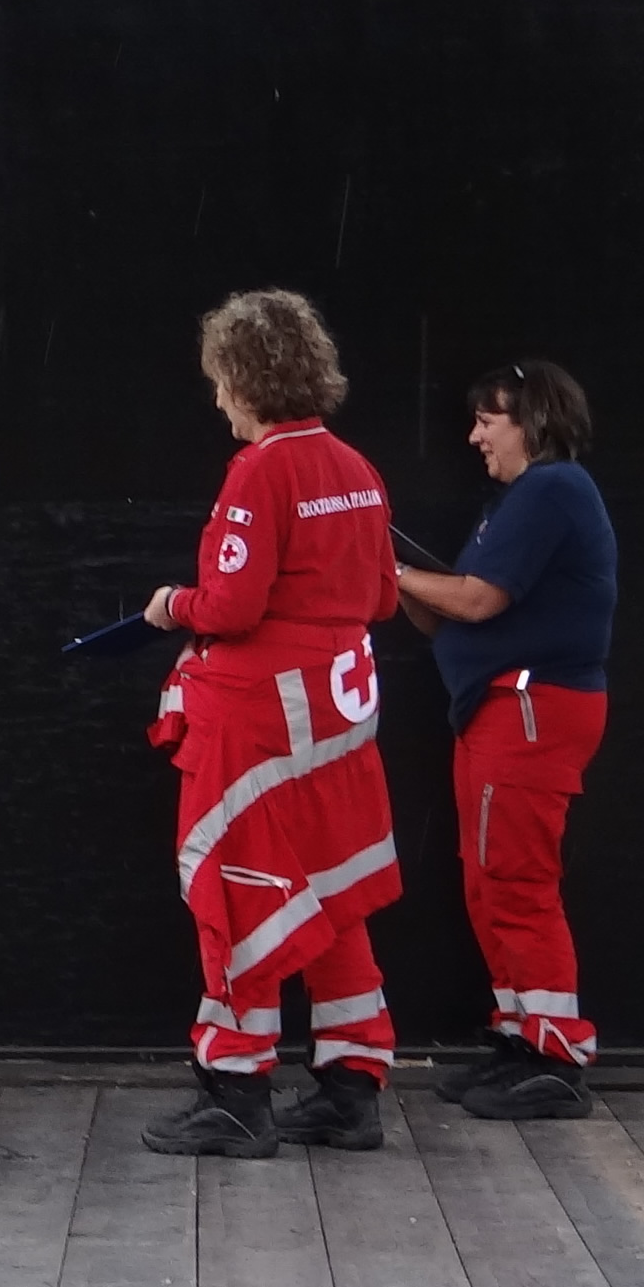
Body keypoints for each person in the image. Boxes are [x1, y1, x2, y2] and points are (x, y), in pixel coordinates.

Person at [137, 289, 404, 1156]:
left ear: (245, 378)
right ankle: (351, 1085)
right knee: (333, 895)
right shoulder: (358, 469)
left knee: (235, 895)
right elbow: (380, 598)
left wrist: (174, 606)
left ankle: (235, 1091)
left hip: (258, 726)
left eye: (220, 381)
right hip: (341, 716)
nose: (218, 399)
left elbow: (234, 603)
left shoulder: (260, 471)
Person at [396, 360, 617, 1121]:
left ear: (533, 421)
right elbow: (449, 611)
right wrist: (393, 579)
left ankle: (555, 1056)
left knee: (517, 879)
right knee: (490, 878)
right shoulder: (518, 503)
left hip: (530, 710)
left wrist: (390, 569)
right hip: (499, 711)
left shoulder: (553, 489)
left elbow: (477, 599)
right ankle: (522, 1039)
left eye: (488, 421)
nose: (474, 436)